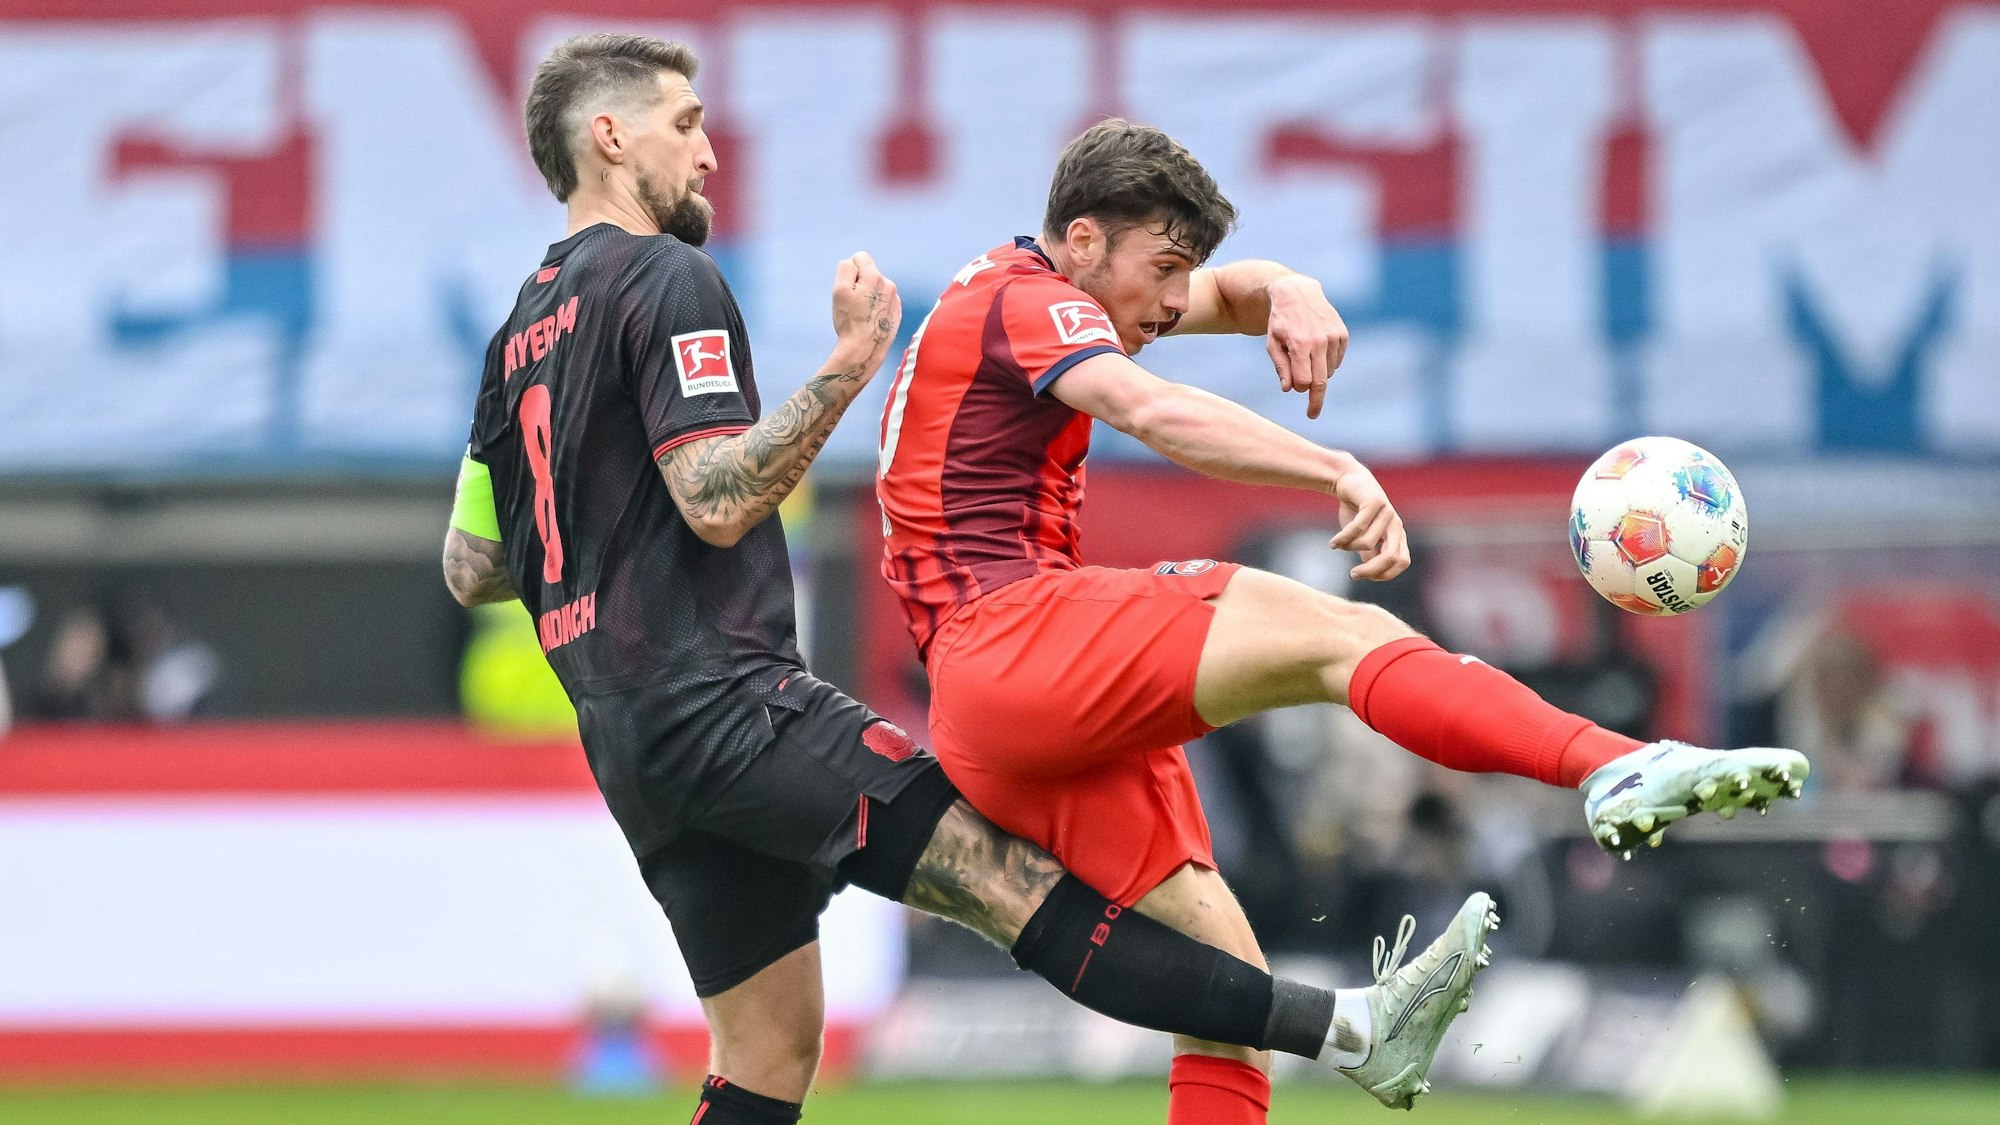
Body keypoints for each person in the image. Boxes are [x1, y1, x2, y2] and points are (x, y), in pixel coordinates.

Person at [443, 37, 1492, 1125]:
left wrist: (601, 532)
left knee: (766, 1051)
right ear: (609, 137)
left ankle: (1343, 1029)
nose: (708, 153)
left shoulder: (515, 337)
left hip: (628, 741)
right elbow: (715, 498)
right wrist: (851, 362)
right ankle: (1352, 1028)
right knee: (1008, 883)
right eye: (685, 124)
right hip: (733, 708)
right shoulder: (666, 275)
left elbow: (472, 566)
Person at [875, 118, 1812, 1123]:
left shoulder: (1040, 290)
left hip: (992, 702)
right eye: (1164, 268)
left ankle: (1601, 779)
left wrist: (1289, 288)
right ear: (1084, 238)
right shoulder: (1030, 300)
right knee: (1345, 637)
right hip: (1010, 636)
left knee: (1226, 1002)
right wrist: (1332, 467)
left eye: (1186, 271)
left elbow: (1233, 295)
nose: (1178, 298)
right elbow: (1149, 411)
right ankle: (1608, 765)